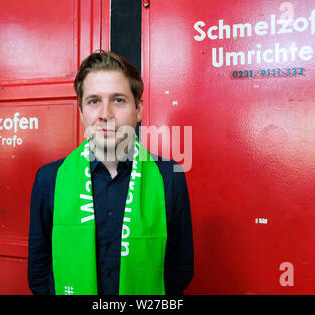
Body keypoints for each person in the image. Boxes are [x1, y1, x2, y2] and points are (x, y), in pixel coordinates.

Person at [27, 50, 194, 295]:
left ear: (138, 109)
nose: (106, 114)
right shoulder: (49, 179)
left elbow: (180, 270)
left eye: (118, 100)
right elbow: (39, 270)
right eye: (94, 101)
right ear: (81, 111)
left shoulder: (170, 177)